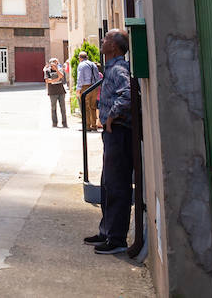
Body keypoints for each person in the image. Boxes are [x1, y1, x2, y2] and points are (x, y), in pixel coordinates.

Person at [84, 29, 133, 256]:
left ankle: (116, 239)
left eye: (105, 40)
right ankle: (106, 231)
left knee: (117, 185)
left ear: (114, 46)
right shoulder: (111, 68)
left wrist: (112, 115)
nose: (102, 42)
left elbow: (128, 94)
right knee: (107, 184)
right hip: (112, 134)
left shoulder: (119, 69)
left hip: (120, 132)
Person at [77, 50, 102, 130]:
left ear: (80, 58)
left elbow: (80, 78)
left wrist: (78, 88)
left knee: (85, 106)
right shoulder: (93, 64)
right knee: (93, 106)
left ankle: (87, 126)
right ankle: (94, 125)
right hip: (94, 86)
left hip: (85, 86)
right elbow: (97, 77)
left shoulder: (81, 65)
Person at [44, 57, 68, 127]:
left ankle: (64, 123)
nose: (56, 64)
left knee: (63, 108)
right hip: (52, 92)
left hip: (61, 91)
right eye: (54, 62)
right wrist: (56, 79)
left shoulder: (60, 69)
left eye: (56, 62)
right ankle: (54, 123)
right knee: (53, 108)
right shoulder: (47, 71)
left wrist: (56, 69)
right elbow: (47, 80)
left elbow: (62, 76)